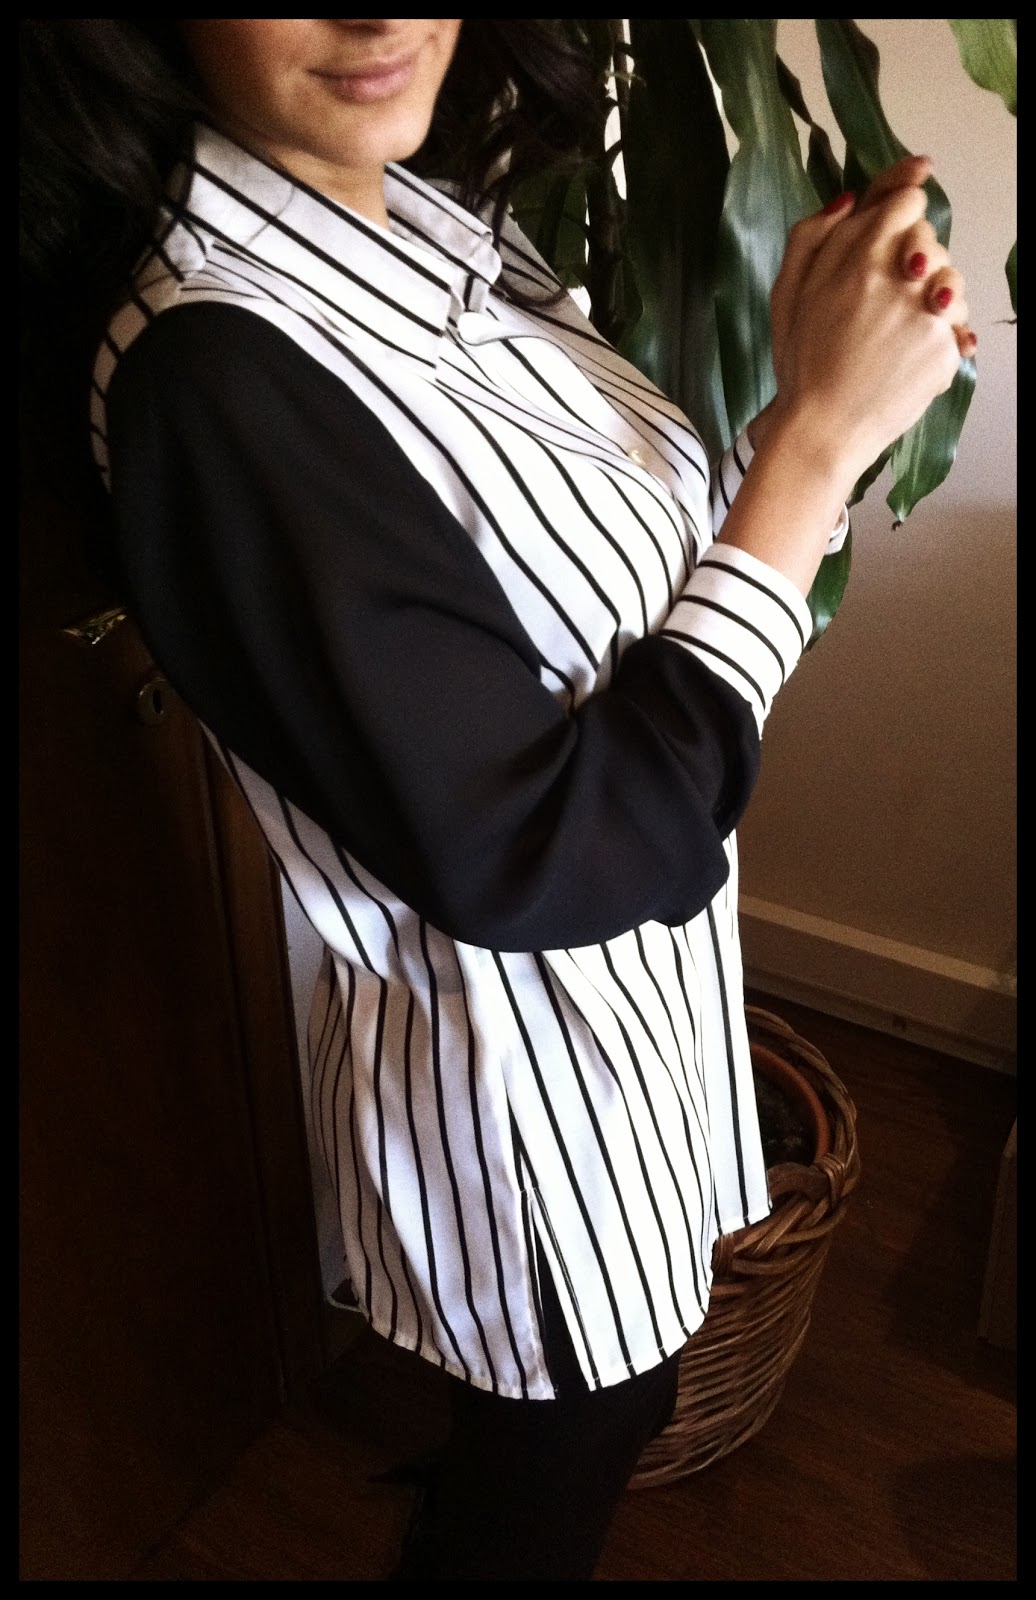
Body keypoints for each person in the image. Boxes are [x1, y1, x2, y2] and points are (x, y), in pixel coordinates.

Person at [20, 19, 974, 1582]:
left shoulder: (427, 212)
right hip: (524, 1096)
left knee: (597, 1406)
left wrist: (816, 387)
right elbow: (545, 852)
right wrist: (814, 447)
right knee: (571, 1439)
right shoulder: (220, 374)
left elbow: (611, 613)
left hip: (637, 1014)